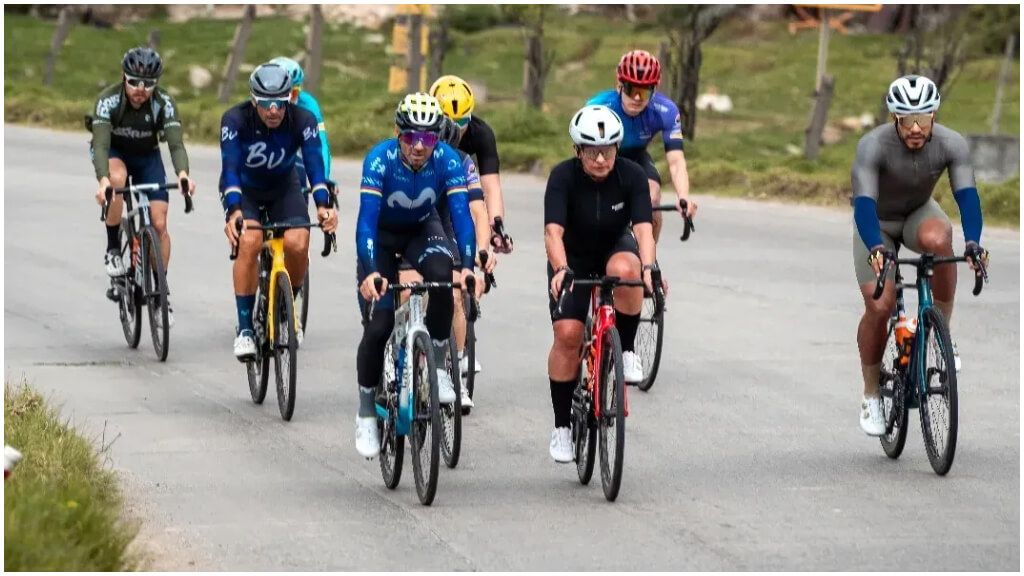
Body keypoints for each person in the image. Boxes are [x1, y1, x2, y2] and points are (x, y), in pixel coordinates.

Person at [851, 75, 989, 436]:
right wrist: (876, 248)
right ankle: (870, 394)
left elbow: (967, 196)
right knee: (880, 307)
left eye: (923, 119)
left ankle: (941, 332)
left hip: (917, 213)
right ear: (894, 119)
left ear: (934, 116)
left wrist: (973, 242)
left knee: (940, 239)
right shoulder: (872, 146)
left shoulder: (951, 144)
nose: (915, 128)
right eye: (906, 120)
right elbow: (864, 204)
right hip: (876, 223)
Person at [353, 93, 480, 458]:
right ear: (398, 132)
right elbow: (365, 220)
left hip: (423, 230)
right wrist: (371, 271)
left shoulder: (448, 160)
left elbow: (461, 217)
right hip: (381, 235)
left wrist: (468, 267)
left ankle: (438, 366)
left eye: (428, 139)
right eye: (411, 138)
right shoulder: (379, 159)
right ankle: (365, 412)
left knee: (444, 280)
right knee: (378, 325)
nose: (419, 148)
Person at [543, 105, 658, 463]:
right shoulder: (562, 177)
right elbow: (553, 232)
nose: (600, 158)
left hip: (612, 249)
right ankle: (562, 426)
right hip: (572, 259)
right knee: (568, 335)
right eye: (591, 150)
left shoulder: (633, 175)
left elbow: (642, 229)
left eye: (607, 149)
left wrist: (650, 266)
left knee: (629, 269)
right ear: (578, 150)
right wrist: (561, 268)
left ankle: (624, 350)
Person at [218, 63, 338, 360]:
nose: (273, 111)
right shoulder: (234, 119)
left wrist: (323, 204)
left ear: (289, 99)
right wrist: (233, 210)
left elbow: (314, 165)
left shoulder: (303, 119)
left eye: (280, 103)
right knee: (250, 242)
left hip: (284, 187)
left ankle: (287, 302)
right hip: (244, 190)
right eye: (266, 103)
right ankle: (245, 328)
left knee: (298, 242)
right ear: (254, 100)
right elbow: (230, 167)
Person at [90, 46, 196, 325]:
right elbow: (100, 144)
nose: (141, 89)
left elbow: (175, 143)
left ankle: (160, 293)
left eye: (148, 83)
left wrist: (183, 174)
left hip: (147, 157)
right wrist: (103, 181)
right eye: (134, 81)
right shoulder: (108, 101)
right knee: (117, 181)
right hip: (115, 154)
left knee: (159, 225)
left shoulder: (164, 102)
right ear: (123, 77)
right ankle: (114, 249)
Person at [585, 49, 697, 242]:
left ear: (654, 89)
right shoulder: (599, 106)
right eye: (631, 89)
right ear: (619, 85)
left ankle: (648, 262)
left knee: (652, 199)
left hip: (636, 157)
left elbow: (676, 161)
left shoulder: (665, 111)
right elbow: (584, 154)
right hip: (600, 157)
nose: (637, 98)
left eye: (644, 91)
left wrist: (683, 197)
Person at [430, 75, 514, 254]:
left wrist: (496, 229)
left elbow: (491, 188)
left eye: (461, 121)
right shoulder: (420, 132)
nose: (455, 128)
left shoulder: (481, 133)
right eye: (447, 120)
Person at [268, 56, 332, 186]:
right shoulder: (260, 106)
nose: (291, 99)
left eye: (295, 92)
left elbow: (321, 144)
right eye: (285, 94)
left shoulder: (309, 104)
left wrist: (323, 178)